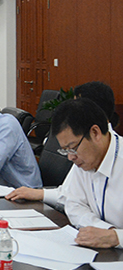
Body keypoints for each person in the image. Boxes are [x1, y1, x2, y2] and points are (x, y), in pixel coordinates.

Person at [6, 81, 117, 209]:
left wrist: (40, 194)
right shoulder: (81, 148)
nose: (70, 156)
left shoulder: (90, 147)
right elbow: (71, 196)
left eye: (77, 106)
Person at [51, 98, 123, 248]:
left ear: (95, 133)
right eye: (65, 150)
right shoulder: (84, 161)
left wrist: (116, 237)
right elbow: (73, 204)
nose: (70, 157)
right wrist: (103, 230)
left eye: (72, 148)